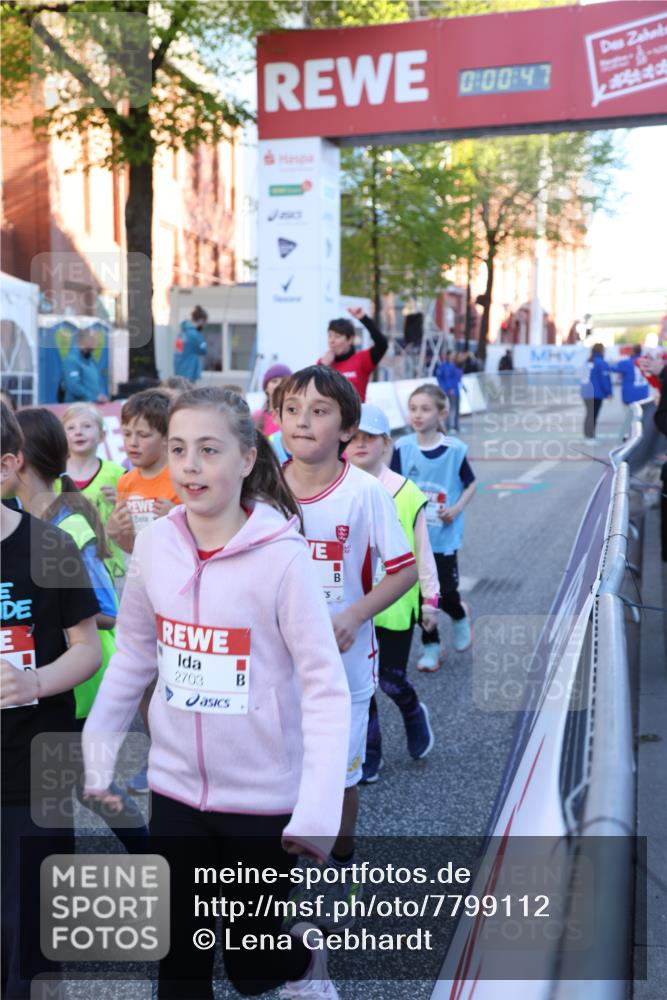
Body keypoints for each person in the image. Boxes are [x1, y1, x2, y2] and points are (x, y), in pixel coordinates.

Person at [82, 386, 351, 1000]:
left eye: (208, 450)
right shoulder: (155, 546)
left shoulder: (283, 561)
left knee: (252, 971)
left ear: (248, 458)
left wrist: (316, 813)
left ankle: (304, 960)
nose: (190, 467)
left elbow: (325, 691)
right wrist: (99, 755)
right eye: (178, 450)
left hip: (263, 801)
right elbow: (132, 656)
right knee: (178, 963)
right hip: (175, 789)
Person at [280, 366, 418, 925]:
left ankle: (341, 856)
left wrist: (353, 615)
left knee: (340, 775)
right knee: (281, 768)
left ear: (346, 429)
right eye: (293, 410)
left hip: (344, 665)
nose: (303, 421)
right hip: (272, 662)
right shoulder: (258, 486)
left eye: (319, 411)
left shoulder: (364, 493)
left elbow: (403, 571)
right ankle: (278, 873)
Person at [1, 401, 101, 1000]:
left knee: (32, 938)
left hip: (33, 772)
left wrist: (35, 682)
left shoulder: (51, 547)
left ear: (8, 466)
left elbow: (86, 647)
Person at [345, 404, 440, 784]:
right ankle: (369, 754)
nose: (360, 444)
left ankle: (414, 713)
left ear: (386, 443)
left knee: (390, 679)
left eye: (369, 437)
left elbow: (423, 550)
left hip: (397, 604)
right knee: (361, 685)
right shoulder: (336, 487)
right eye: (353, 436)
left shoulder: (407, 491)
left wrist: (430, 601)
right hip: (352, 605)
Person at [392, 384, 476, 671]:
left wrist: (457, 508)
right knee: (419, 596)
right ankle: (431, 646)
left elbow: (471, 483)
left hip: (443, 537)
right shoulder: (401, 448)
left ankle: (459, 614)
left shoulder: (455, 450)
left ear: (442, 412)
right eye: (413, 408)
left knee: (447, 594)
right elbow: (391, 485)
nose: (417, 414)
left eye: (425, 409)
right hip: (411, 538)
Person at [58, 401, 127, 587]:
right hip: (64, 562)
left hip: (107, 562)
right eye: (70, 428)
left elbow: (134, 518)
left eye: (87, 426)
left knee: (109, 614)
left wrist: (122, 502)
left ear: (102, 435)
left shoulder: (118, 474)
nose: (78, 432)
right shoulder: (53, 476)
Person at [107, 389, 180, 554]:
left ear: (166, 437)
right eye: (126, 434)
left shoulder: (183, 479)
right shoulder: (124, 482)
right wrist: (115, 532)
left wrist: (177, 520)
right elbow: (132, 548)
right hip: (144, 574)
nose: (133, 442)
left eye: (143, 435)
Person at [318, 306, 388, 402]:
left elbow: (382, 345)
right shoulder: (322, 363)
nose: (331, 341)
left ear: (350, 339)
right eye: (330, 336)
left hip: (357, 415)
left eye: (337, 336)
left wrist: (364, 319)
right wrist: (323, 367)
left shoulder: (361, 360)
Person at [61, 328, 109, 403]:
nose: (96, 342)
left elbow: (97, 383)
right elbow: (73, 386)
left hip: (93, 407)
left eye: (96, 339)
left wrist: (101, 396)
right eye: (92, 339)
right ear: (82, 340)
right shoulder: (71, 360)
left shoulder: (91, 360)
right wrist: (93, 397)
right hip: (77, 408)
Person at [581, 343, 612, 441]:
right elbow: (604, 379)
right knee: (593, 415)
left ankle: (588, 435)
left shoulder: (588, 361)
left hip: (586, 392)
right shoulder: (601, 363)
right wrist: (608, 392)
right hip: (595, 393)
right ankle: (590, 437)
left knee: (589, 414)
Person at [254, 363, 292, 436]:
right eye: (274, 381)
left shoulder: (297, 417)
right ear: (266, 388)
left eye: (284, 381)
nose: (279, 385)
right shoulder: (256, 417)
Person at [173, 305, 208, 382]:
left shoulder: (181, 333)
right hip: (190, 372)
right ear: (201, 320)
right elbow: (204, 350)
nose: (205, 325)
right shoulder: (195, 335)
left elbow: (178, 351)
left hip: (179, 371)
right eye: (205, 322)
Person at [435, 350, 462, 433]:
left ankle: (456, 426)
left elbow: (457, 378)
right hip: (447, 391)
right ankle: (448, 426)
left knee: (456, 408)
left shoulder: (455, 365)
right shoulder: (443, 366)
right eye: (452, 354)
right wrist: (449, 388)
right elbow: (441, 379)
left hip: (456, 390)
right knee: (448, 409)